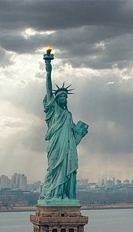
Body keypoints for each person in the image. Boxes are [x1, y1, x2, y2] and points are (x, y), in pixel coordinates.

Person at [40, 48, 88, 202]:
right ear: (56, 99)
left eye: (65, 97)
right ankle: (52, 194)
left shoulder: (68, 114)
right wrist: (48, 69)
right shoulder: (53, 110)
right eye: (60, 96)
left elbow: (74, 134)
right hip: (56, 144)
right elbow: (49, 90)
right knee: (54, 167)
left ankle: (63, 195)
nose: (63, 98)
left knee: (66, 168)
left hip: (68, 147)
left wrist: (81, 131)